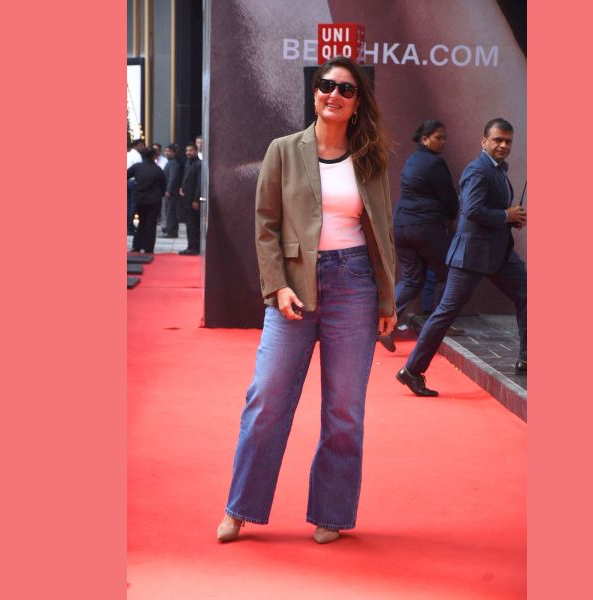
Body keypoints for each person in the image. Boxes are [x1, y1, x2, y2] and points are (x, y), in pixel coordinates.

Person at [217, 56, 395, 545]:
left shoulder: (370, 158)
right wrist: (277, 285)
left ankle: (331, 512)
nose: (334, 94)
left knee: (344, 410)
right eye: (326, 85)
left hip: (355, 285)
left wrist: (387, 299)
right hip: (295, 285)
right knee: (266, 398)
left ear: (358, 104)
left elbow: (382, 231)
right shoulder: (283, 150)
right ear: (314, 93)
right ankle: (240, 507)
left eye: (346, 89)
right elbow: (265, 224)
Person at [396, 118, 527, 397]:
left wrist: (508, 220)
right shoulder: (478, 170)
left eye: (508, 141)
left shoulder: (498, 170)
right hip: (471, 256)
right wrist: (506, 216)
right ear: (484, 141)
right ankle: (412, 371)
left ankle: (526, 358)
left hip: (498, 253)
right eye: (497, 140)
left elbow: (487, 211)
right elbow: (472, 210)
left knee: (527, 293)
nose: (503, 145)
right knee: (445, 312)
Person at [378, 119, 458, 352]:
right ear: (425, 139)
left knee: (412, 279)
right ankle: (439, 326)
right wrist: (452, 216)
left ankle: (383, 326)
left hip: (402, 226)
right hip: (426, 227)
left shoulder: (413, 160)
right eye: (438, 138)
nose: (443, 142)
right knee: (449, 272)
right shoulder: (435, 163)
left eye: (444, 138)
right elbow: (449, 197)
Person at [127, 146, 166, 253]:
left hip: (140, 198)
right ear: (154, 156)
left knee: (142, 222)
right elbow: (164, 185)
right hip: (154, 200)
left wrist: (134, 185)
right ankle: (148, 247)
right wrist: (161, 194)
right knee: (151, 224)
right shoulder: (157, 169)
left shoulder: (137, 167)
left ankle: (137, 245)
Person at [178, 142, 202, 255]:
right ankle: (190, 246)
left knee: (193, 224)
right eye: (187, 150)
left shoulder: (199, 164)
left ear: (196, 151)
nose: (188, 152)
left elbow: (199, 184)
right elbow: (186, 178)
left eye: (191, 150)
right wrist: (182, 187)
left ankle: (194, 247)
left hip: (193, 199)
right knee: (189, 224)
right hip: (187, 198)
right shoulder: (188, 163)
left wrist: (196, 200)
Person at [161, 145, 183, 237]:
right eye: (166, 151)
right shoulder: (169, 162)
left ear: (174, 153)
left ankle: (171, 231)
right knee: (169, 211)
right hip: (169, 191)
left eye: (169, 151)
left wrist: (168, 190)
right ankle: (171, 229)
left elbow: (172, 178)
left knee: (170, 212)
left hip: (171, 192)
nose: (167, 153)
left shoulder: (174, 164)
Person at [127, 138, 146, 235]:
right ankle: (129, 226)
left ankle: (128, 225)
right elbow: (139, 171)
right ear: (136, 146)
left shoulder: (128, 154)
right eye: (141, 145)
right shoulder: (138, 156)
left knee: (127, 204)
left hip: (127, 180)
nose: (143, 147)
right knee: (133, 205)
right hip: (133, 182)